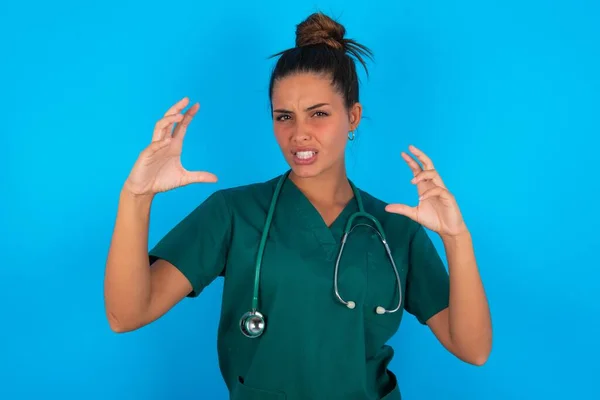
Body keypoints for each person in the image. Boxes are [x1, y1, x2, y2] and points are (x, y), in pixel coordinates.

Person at [104, 11, 492, 400]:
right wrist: (136, 197)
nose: (299, 133)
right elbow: (127, 315)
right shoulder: (233, 212)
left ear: (352, 116)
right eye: (284, 117)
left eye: (319, 114)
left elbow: (472, 349)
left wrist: (456, 237)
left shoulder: (395, 228)